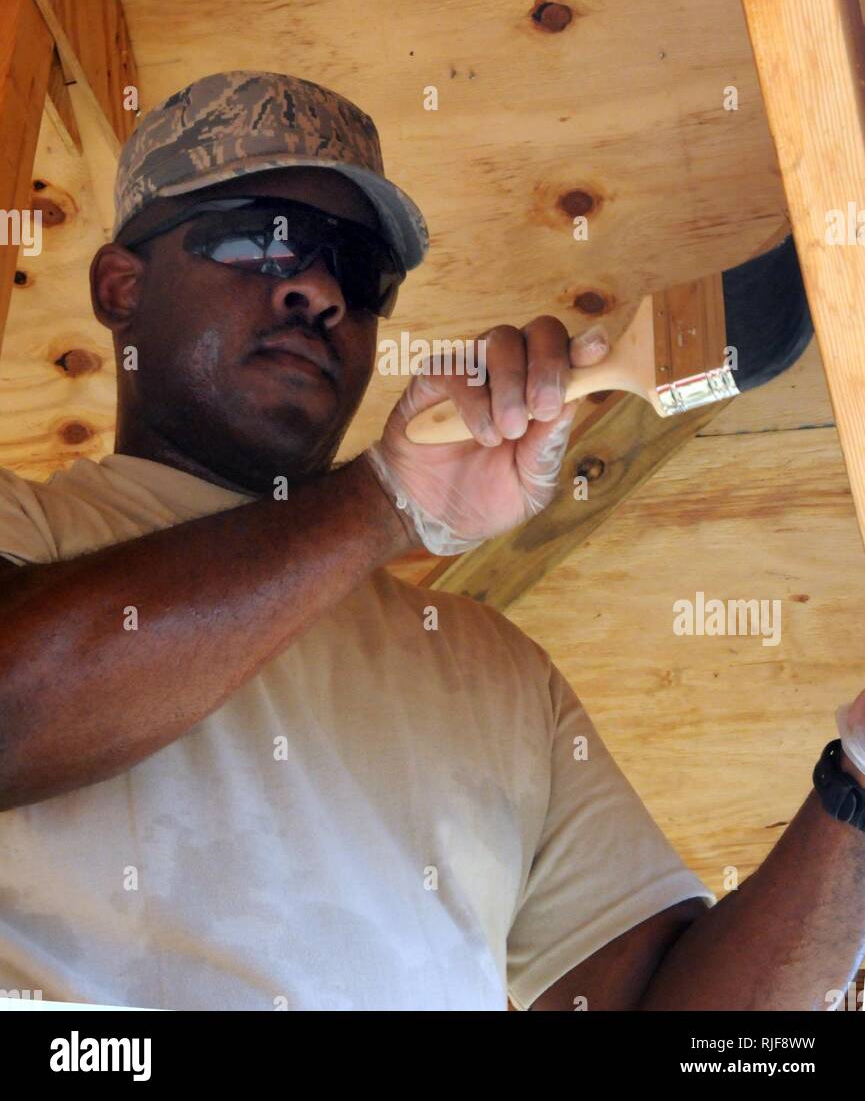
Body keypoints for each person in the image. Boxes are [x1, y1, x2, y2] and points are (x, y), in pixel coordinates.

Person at [0, 71, 862, 1012]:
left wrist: (857, 784)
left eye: (357, 267)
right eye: (264, 237)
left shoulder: (495, 674)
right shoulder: (24, 531)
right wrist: (382, 502)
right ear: (120, 288)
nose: (318, 288)